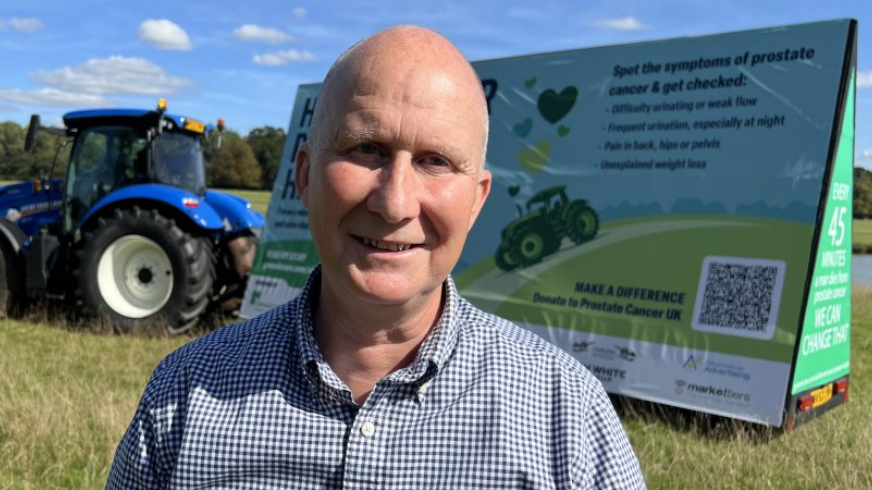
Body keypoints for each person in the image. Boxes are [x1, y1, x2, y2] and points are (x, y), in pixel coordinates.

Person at [106, 25, 646, 489]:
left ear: (477, 199)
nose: (394, 203)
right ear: (304, 175)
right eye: (367, 149)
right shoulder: (185, 393)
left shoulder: (566, 416)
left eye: (435, 161)